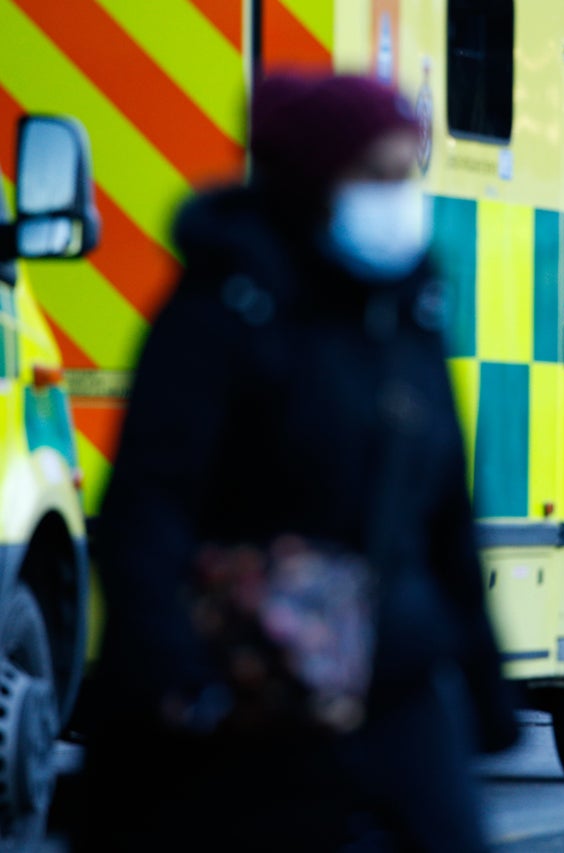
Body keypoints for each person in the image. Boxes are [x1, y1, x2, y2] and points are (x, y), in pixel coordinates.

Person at [76, 73, 517, 852]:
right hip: (251, 685)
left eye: (404, 173)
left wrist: (485, 683)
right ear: (314, 181)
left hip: (397, 683)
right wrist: (174, 674)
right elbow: (149, 502)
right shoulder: (227, 308)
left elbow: (448, 517)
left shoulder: (408, 313)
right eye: (374, 175)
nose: (397, 196)